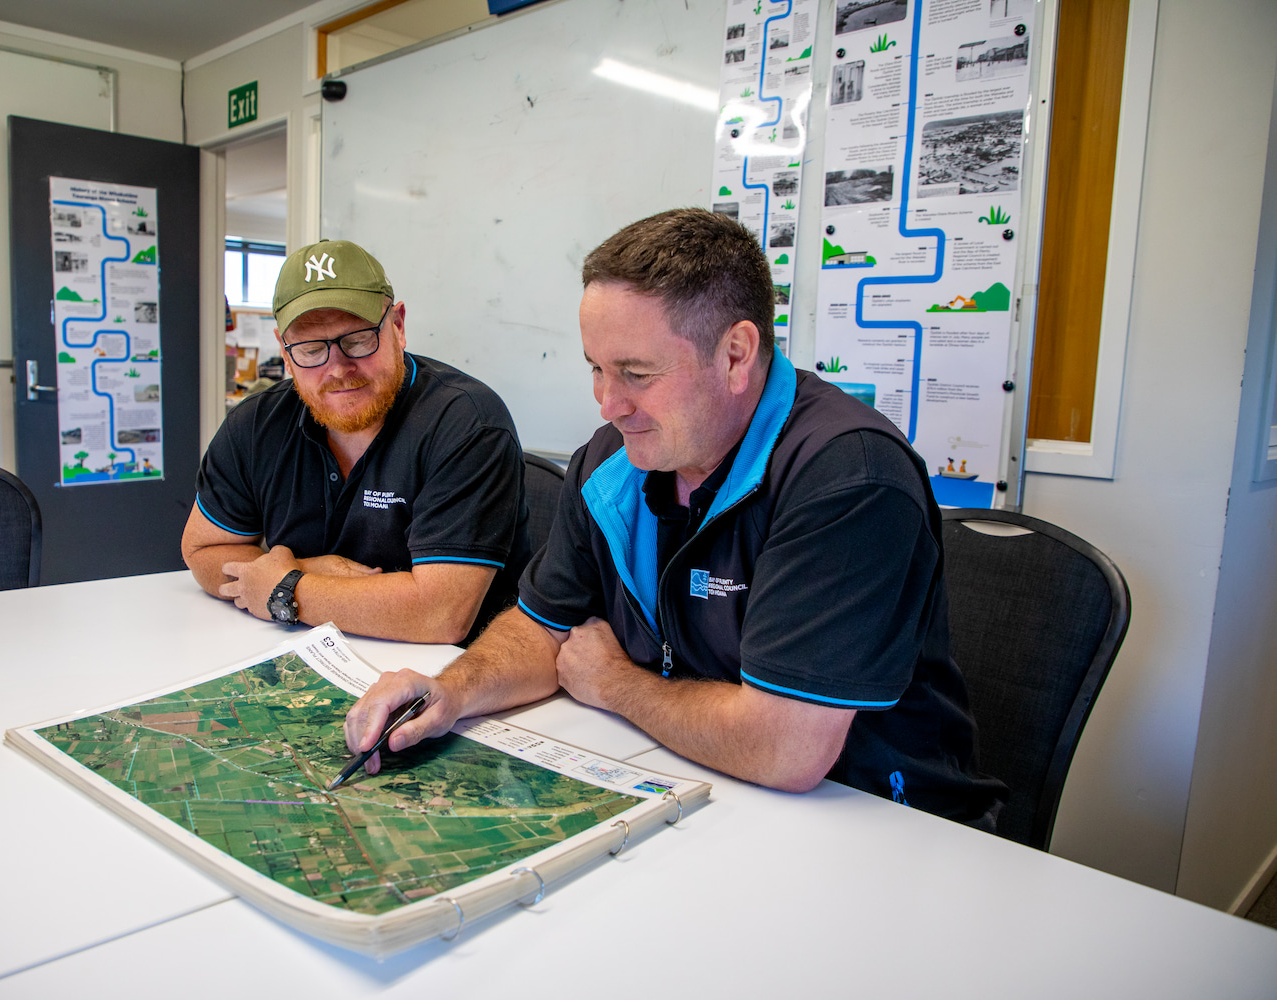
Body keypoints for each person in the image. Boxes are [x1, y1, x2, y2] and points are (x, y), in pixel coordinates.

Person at [343, 209, 1006, 828]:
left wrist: (617, 685)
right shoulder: (613, 461)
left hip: (878, 824)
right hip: (702, 785)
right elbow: (543, 631)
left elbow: (785, 750)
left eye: (634, 372)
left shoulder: (847, 478)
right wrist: (451, 691)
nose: (608, 404)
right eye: (596, 370)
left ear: (737, 355)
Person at [182, 239, 532, 645]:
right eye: (311, 349)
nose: (338, 369)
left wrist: (287, 588)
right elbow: (203, 549)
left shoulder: (467, 424)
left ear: (397, 326)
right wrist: (310, 569)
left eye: (358, 339)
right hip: (313, 658)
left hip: (451, 674)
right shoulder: (256, 423)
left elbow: (440, 614)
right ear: (284, 349)